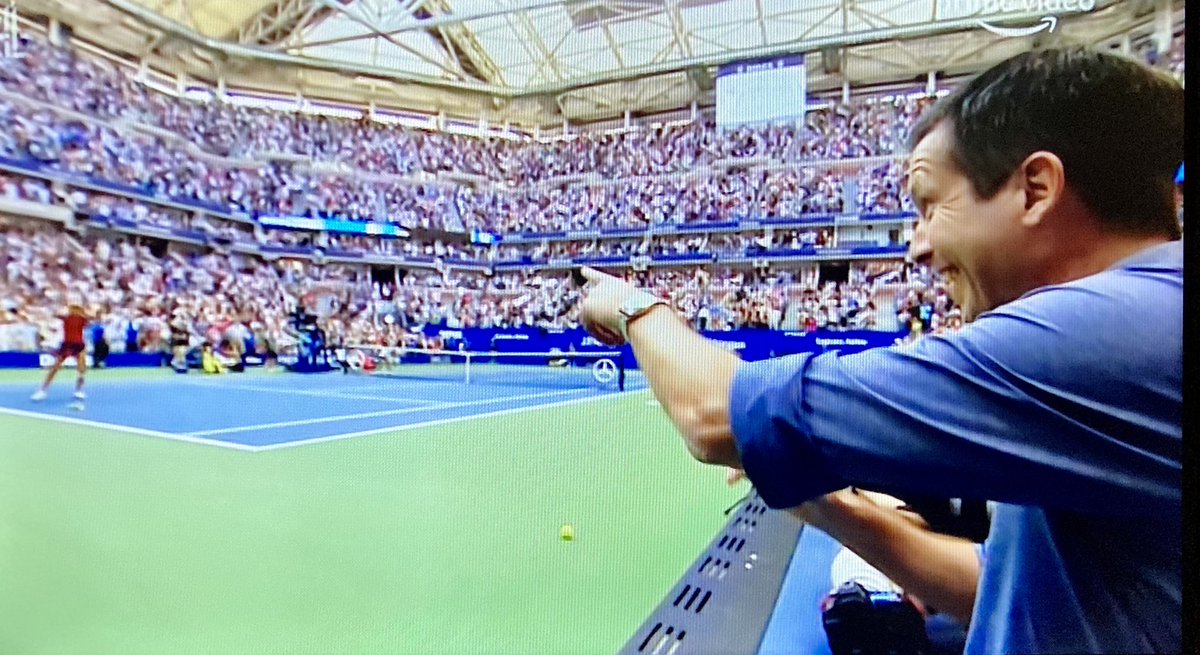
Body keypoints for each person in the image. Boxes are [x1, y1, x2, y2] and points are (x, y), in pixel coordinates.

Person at [578, 47, 1181, 654]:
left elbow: (715, 415)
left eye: (929, 205)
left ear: (1036, 189)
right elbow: (1008, 593)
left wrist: (631, 308)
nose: (917, 248)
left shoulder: (1108, 337)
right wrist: (825, 500)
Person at [31, 303, 91, 409]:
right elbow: (55, 314)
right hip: (67, 345)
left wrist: (85, 312)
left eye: (76, 309)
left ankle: (79, 390)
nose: (73, 311)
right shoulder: (66, 318)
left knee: (82, 369)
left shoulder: (83, 319)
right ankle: (43, 390)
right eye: (72, 309)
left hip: (79, 345)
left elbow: (91, 319)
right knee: (55, 368)